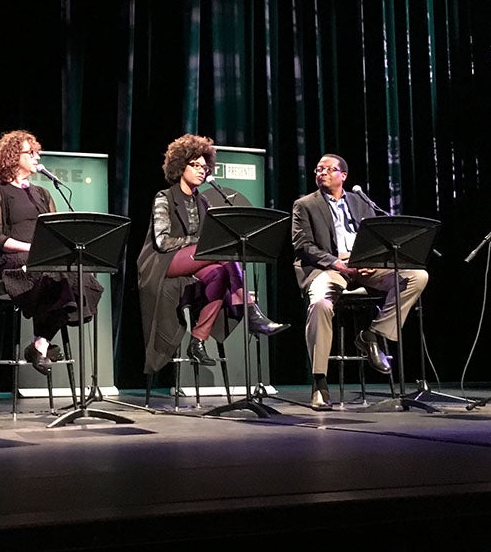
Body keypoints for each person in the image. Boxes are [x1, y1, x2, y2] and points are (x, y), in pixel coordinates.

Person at [138, 134, 288, 376]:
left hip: (196, 261)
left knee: (220, 273)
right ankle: (250, 311)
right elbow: (163, 242)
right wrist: (199, 242)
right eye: (195, 165)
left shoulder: (203, 201)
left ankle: (198, 341)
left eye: (204, 167)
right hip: (164, 262)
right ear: (180, 166)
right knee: (222, 252)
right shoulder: (164, 198)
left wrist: (205, 245)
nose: (201, 171)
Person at [292, 153, 429, 409]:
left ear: (343, 175)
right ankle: (319, 381)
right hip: (329, 266)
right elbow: (303, 246)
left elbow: (375, 236)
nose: (321, 172)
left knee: (416, 276)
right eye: (318, 169)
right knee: (320, 303)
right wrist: (337, 263)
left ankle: (373, 334)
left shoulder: (360, 201)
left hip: (364, 265)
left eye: (328, 169)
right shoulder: (305, 204)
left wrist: (370, 261)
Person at [0, 130, 103, 375]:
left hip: (43, 259)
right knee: (56, 273)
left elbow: (55, 232)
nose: (37, 157)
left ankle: (40, 344)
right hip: (13, 262)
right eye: (31, 152)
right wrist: (32, 248)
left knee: (82, 278)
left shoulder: (43, 194)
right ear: (14, 157)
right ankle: (41, 344)